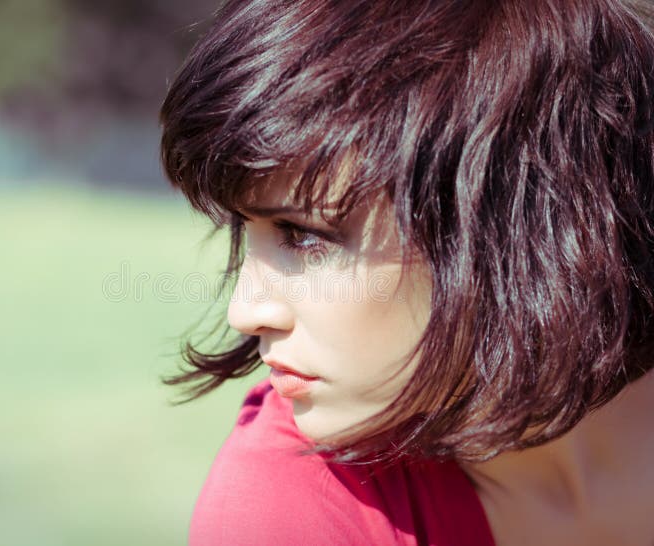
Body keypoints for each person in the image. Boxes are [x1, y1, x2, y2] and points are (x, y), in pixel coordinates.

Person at [159, 0, 654, 544]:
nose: (245, 312)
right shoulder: (282, 509)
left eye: (305, 234)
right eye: (245, 228)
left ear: (514, 214)